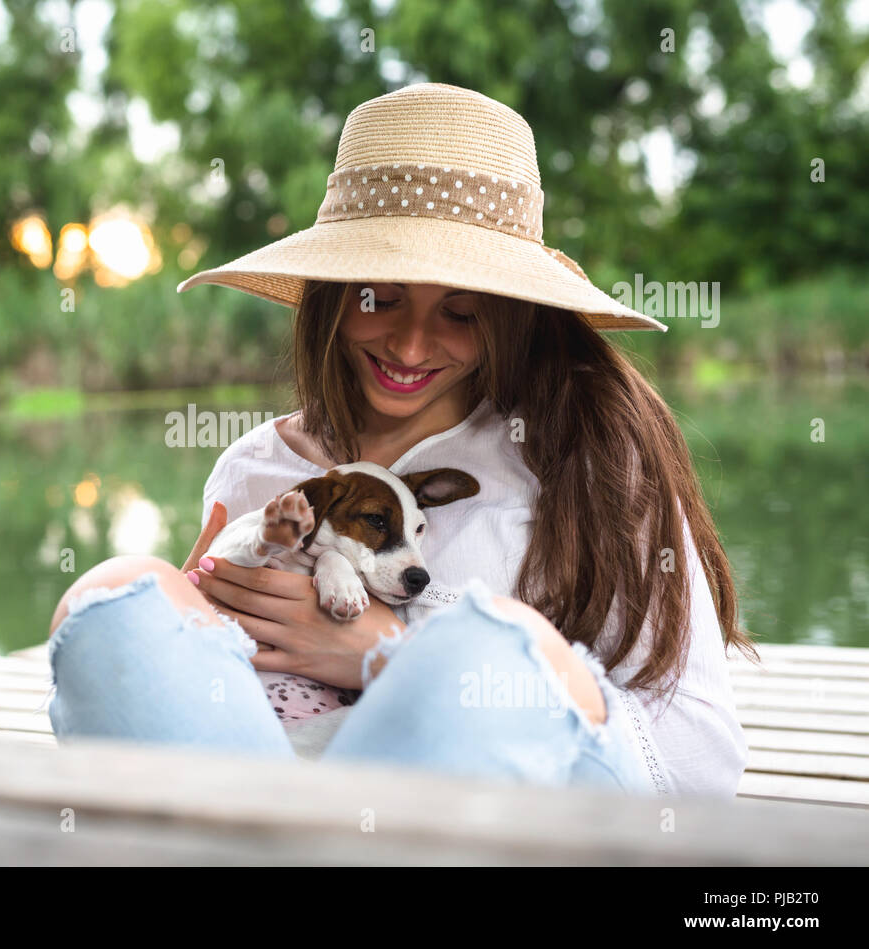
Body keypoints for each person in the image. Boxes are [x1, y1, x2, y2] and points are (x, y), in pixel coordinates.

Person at [45, 83, 755, 796]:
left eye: (461, 312)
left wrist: (387, 655)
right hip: (279, 795)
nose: (411, 345)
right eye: (378, 299)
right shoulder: (255, 469)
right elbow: (208, 706)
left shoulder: (589, 457)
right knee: (116, 599)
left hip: (510, 817)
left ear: (512, 316)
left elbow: (703, 758)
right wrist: (199, 627)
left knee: (491, 646)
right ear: (330, 294)